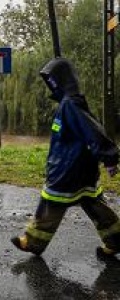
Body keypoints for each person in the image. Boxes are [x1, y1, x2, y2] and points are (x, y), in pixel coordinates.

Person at [11, 57, 120, 260]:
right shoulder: (68, 103)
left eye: (53, 81)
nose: (51, 85)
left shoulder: (70, 105)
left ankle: (33, 242)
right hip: (80, 169)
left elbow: (92, 130)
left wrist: (110, 157)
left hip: (68, 170)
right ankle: (116, 240)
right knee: (95, 204)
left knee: (50, 203)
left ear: (62, 81)